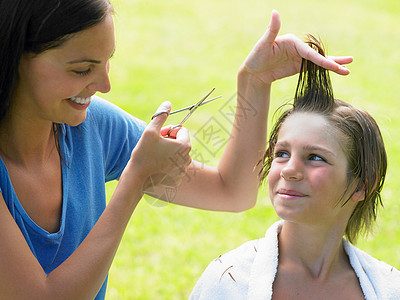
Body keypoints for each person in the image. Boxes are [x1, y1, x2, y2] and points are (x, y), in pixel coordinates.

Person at [0, 1, 351, 299]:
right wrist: (136, 180)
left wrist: (255, 82)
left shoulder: (92, 125)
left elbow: (232, 191)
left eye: (106, 62)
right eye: (82, 69)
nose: (104, 85)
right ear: (15, 56)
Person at [189, 22, 400, 300]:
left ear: (362, 184)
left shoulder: (389, 288)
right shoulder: (227, 282)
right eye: (282, 153)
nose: (289, 170)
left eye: (314, 157)